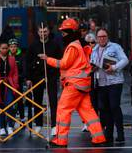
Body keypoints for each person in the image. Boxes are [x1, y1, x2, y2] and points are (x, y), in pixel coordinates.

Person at [42, 18, 106, 147]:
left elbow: (64, 64)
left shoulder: (72, 47)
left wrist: (47, 59)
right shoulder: (80, 45)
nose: (62, 35)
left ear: (70, 32)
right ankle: (99, 138)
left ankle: (61, 140)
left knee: (63, 110)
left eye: (64, 33)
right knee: (88, 112)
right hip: (83, 85)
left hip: (74, 85)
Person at [90, 28, 129, 144]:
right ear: (96, 38)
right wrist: (93, 68)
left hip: (115, 81)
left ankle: (121, 134)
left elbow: (125, 60)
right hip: (101, 83)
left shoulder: (115, 47)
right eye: (100, 37)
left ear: (107, 37)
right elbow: (92, 63)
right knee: (105, 109)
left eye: (104, 36)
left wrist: (114, 67)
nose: (102, 39)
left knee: (114, 107)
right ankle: (109, 134)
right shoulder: (94, 50)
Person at [26, 24, 62, 135]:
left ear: (48, 32)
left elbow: (60, 60)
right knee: (37, 101)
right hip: (37, 77)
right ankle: (38, 124)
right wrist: (28, 78)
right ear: (38, 32)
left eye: (45, 31)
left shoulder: (55, 45)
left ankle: (54, 125)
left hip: (51, 76)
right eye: (41, 31)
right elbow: (27, 62)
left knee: (53, 101)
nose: (43, 33)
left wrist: (59, 75)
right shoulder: (33, 46)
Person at [0, 41, 19, 137]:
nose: (5, 50)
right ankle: (2, 127)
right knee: (0, 106)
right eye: (3, 48)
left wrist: (15, 84)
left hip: (10, 84)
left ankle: (10, 126)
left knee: (10, 105)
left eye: (6, 48)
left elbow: (15, 73)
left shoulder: (12, 59)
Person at [8, 38, 26, 121]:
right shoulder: (6, 56)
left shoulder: (21, 57)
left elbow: (24, 69)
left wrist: (19, 78)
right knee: (9, 101)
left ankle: (22, 118)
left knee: (19, 100)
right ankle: (10, 118)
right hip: (8, 83)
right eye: (11, 46)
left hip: (18, 82)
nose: (13, 48)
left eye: (14, 46)